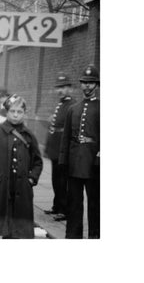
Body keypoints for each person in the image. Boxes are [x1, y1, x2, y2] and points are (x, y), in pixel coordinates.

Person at [0, 94, 43, 238]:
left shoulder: (29, 135)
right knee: (3, 226)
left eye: (19, 112)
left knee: (19, 231)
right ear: (7, 112)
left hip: (21, 188)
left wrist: (31, 179)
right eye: (13, 111)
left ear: (24, 113)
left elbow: (37, 161)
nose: (16, 115)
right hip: (2, 186)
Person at [59, 65, 100, 239]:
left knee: (95, 202)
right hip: (75, 162)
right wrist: (63, 160)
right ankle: (73, 235)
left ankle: (95, 235)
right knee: (74, 202)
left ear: (96, 85)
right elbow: (66, 137)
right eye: (84, 83)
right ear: (81, 84)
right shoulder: (73, 109)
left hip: (93, 163)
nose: (87, 86)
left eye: (91, 83)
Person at [43, 72, 75, 221]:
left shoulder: (71, 105)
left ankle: (64, 210)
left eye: (64, 87)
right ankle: (57, 206)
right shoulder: (61, 104)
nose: (60, 90)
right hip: (55, 149)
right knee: (56, 180)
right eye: (59, 87)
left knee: (62, 181)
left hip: (63, 150)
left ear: (70, 88)